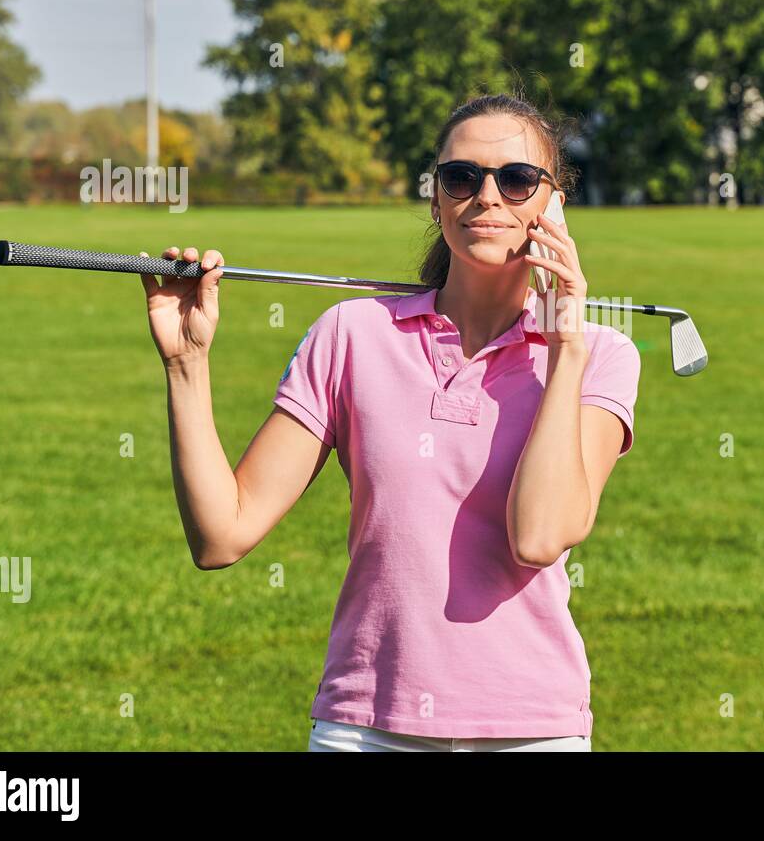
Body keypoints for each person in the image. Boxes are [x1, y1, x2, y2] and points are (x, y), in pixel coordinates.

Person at [140, 93, 641, 752]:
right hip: (366, 725)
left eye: (517, 179)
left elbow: (540, 537)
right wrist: (187, 364)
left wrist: (564, 343)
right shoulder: (350, 334)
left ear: (553, 205)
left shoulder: (601, 355)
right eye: (461, 177)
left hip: (532, 730)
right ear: (436, 201)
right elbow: (221, 536)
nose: (486, 196)